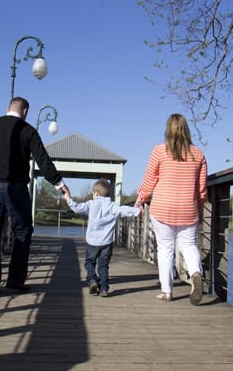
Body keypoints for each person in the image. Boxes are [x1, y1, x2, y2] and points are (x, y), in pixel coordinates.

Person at [0, 97, 69, 295]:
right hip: (16, 188)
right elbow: (42, 160)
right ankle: (15, 280)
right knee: (22, 231)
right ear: (25, 112)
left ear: (8, 108)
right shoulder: (28, 130)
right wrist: (59, 183)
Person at [136, 113, 208, 305]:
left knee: (165, 249)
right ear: (186, 130)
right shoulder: (198, 154)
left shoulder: (159, 151)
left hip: (162, 208)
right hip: (188, 208)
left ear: (167, 130)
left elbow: (150, 180)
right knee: (189, 246)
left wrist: (141, 199)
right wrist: (199, 208)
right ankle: (195, 274)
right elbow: (201, 189)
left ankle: (167, 292)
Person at [64, 179, 140, 297]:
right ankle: (104, 288)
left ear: (96, 194)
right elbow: (124, 210)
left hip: (92, 242)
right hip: (106, 243)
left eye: (93, 193)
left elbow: (77, 208)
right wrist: (138, 211)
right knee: (103, 265)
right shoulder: (113, 206)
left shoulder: (91, 204)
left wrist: (68, 199)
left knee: (90, 263)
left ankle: (92, 280)